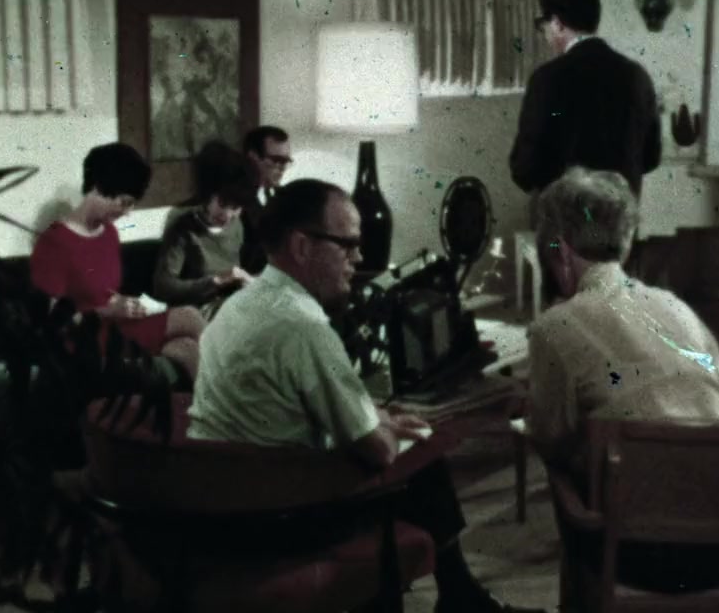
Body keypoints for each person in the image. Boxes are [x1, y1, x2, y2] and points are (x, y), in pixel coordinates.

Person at [188, 179, 542, 613]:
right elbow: (377, 449)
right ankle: (460, 598)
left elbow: (303, 403)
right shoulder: (303, 327)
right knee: (421, 455)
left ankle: (461, 596)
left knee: (406, 444)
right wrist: (391, 431)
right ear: (302, 246)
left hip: (230, 506)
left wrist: (379, 417)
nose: (358, 258)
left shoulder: (239, 306)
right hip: (283, 521)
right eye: (348, 245)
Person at [526, 166, 719, 594]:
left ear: (559, 250)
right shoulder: (676, 307)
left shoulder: (554, 328)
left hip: (644, 554)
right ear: (627, 239)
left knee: (567, 473)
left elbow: (549, 438)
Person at [30, 143, 205, 383]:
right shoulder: (55, 242)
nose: (128, 212)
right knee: (189, 317)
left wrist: (123, 303)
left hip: (117, 327)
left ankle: (217, 404)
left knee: (187, 349)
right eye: (124, 202)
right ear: (98, 188)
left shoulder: (109, 234)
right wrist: (106, 311)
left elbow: (104, 293)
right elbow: (52, 322)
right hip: (86, 340)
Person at [509, 0, 662, 212]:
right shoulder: (637, 76)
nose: (545, 34)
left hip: (563, 220)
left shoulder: (547, 78)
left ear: (557, 23)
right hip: (620, 220)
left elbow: (525, 167)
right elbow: (651, 157)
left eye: (543, 25)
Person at [153, 141, 257, 321]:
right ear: (207, 194)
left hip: (231, 306)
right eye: (222, 204)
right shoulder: (183, 224)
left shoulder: (237, 224)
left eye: (236, 207)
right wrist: (215, 281)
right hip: (196, 312)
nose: (228, 215)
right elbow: (163, 287)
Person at [239, 125, 292, 274]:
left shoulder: (284, 197)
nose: (282, 168)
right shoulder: (235, 201)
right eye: (276, 160)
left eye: (286, 161)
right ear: (253, 157)